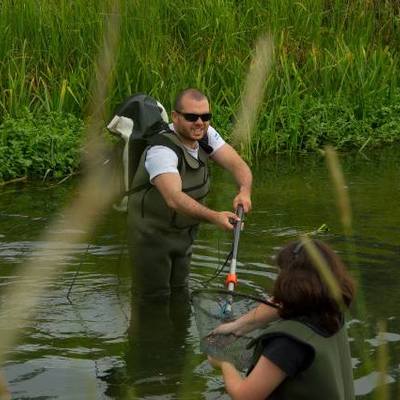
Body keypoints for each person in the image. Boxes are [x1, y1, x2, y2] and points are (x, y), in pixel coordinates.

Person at [127, 88, 252, 300]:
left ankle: (181, 333)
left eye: (206, 117)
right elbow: (174, 199)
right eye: (192, 117)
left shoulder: (205, 134)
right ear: (175, 117)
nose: (200, 122)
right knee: (153, 301)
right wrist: (215, 217)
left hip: (183, 236)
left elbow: (238, 165)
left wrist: (245, 191)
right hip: (151, 238)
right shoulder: (161, 151)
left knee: (180, 294)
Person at [208, 239, 356, 400]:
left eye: (280, 274)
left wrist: (224, 362)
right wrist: (237, 326)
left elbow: (245, 396)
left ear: (291, 282)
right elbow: (279, 304)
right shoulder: (331, 312)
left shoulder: (287, 343)